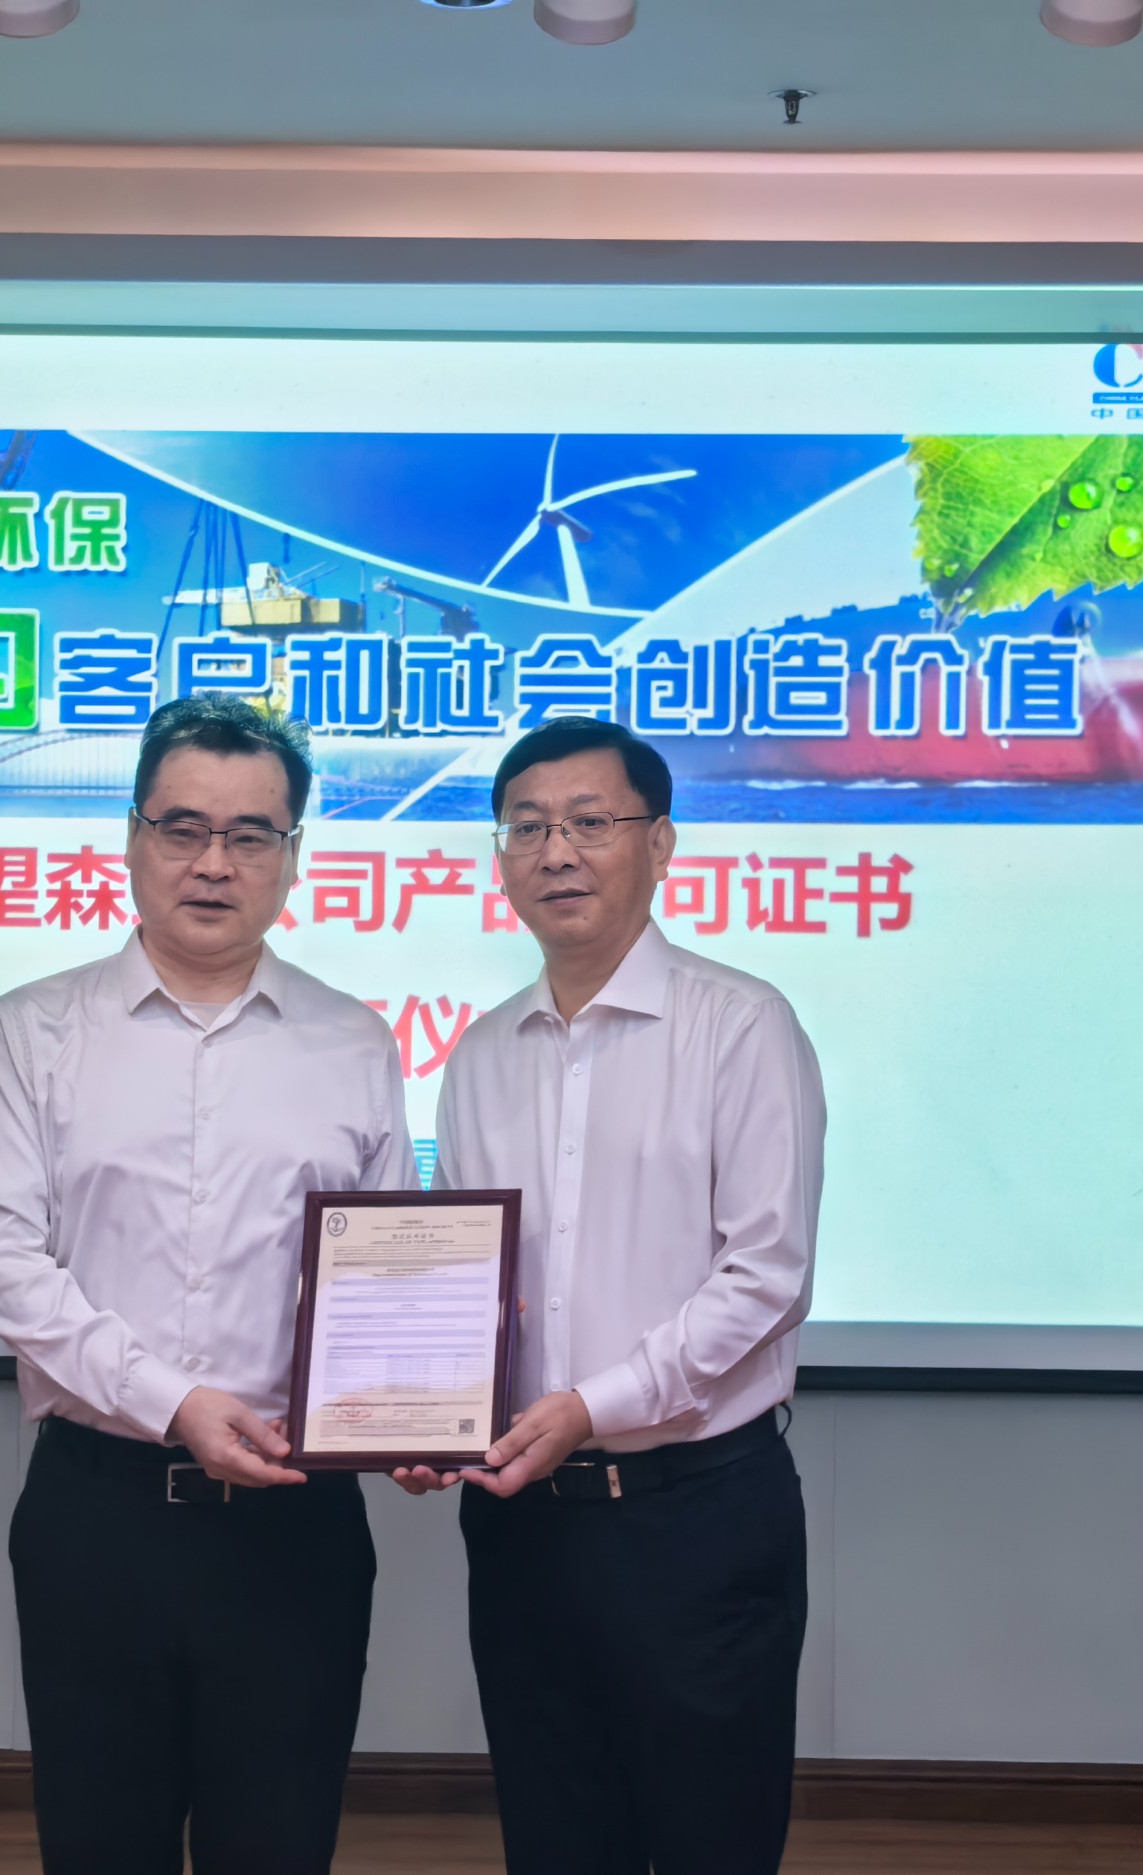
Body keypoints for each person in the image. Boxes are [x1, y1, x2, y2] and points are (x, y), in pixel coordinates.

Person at [0, 696, 414, 1875]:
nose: (215, 863)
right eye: (183, 828)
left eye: (251, 835)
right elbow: (5, 1260)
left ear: (292, 856)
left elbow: (388, 1273)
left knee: (280, 1843)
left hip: (295, 1523)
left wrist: (412, 1409)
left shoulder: (354, 1042)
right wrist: (172, 1403)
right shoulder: (33, 1031)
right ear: (131, 836)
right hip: (97, 1512)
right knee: (102, 1844)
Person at [396, 714, 825, 1875]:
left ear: (660, 842)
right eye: (526, 827)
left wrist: (591, 1405)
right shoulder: (480, 1054)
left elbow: (766, 1274)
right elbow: (464, 1282)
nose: (556, 852)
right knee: (553, 1833)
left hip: (695, 1516)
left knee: (708, 1839)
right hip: (523, 1523)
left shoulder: (741, 1027)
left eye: (589, 822)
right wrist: (427, 1411)